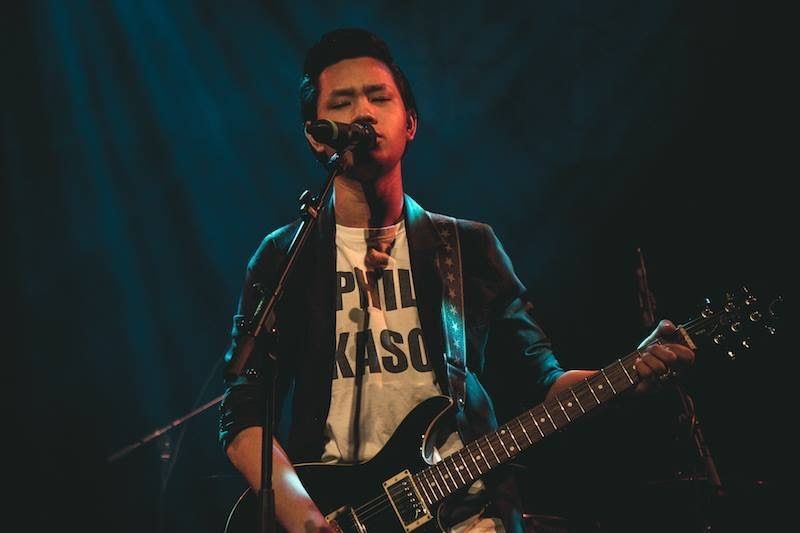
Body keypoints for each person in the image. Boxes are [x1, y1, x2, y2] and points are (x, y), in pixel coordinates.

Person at [218, 27, 695, 533]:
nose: (363, 112)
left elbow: (544, 379)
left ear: (410, 123)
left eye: (379, 97)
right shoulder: (284, 257)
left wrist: (624, 376)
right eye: (342, 102)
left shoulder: (467, 247)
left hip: (467, 515)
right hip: (340, 515)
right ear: (317, 136)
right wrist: (308, 520)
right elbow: (243, 411)